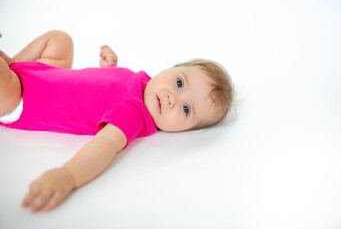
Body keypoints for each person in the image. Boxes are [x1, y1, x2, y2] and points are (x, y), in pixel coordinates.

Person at [0, 30, 234, 212]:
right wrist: (108, 69)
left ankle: (6, 70)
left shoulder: (135, 115)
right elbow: (105, 89)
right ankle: (12, 62)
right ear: (171, 68)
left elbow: (104, 146)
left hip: (23, 99)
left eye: (185, 109)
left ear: (186, 129)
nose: (173, 98)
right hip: (42, 73)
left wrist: (69, 175)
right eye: (179, 83)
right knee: (60, 41)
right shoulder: (143, 82)